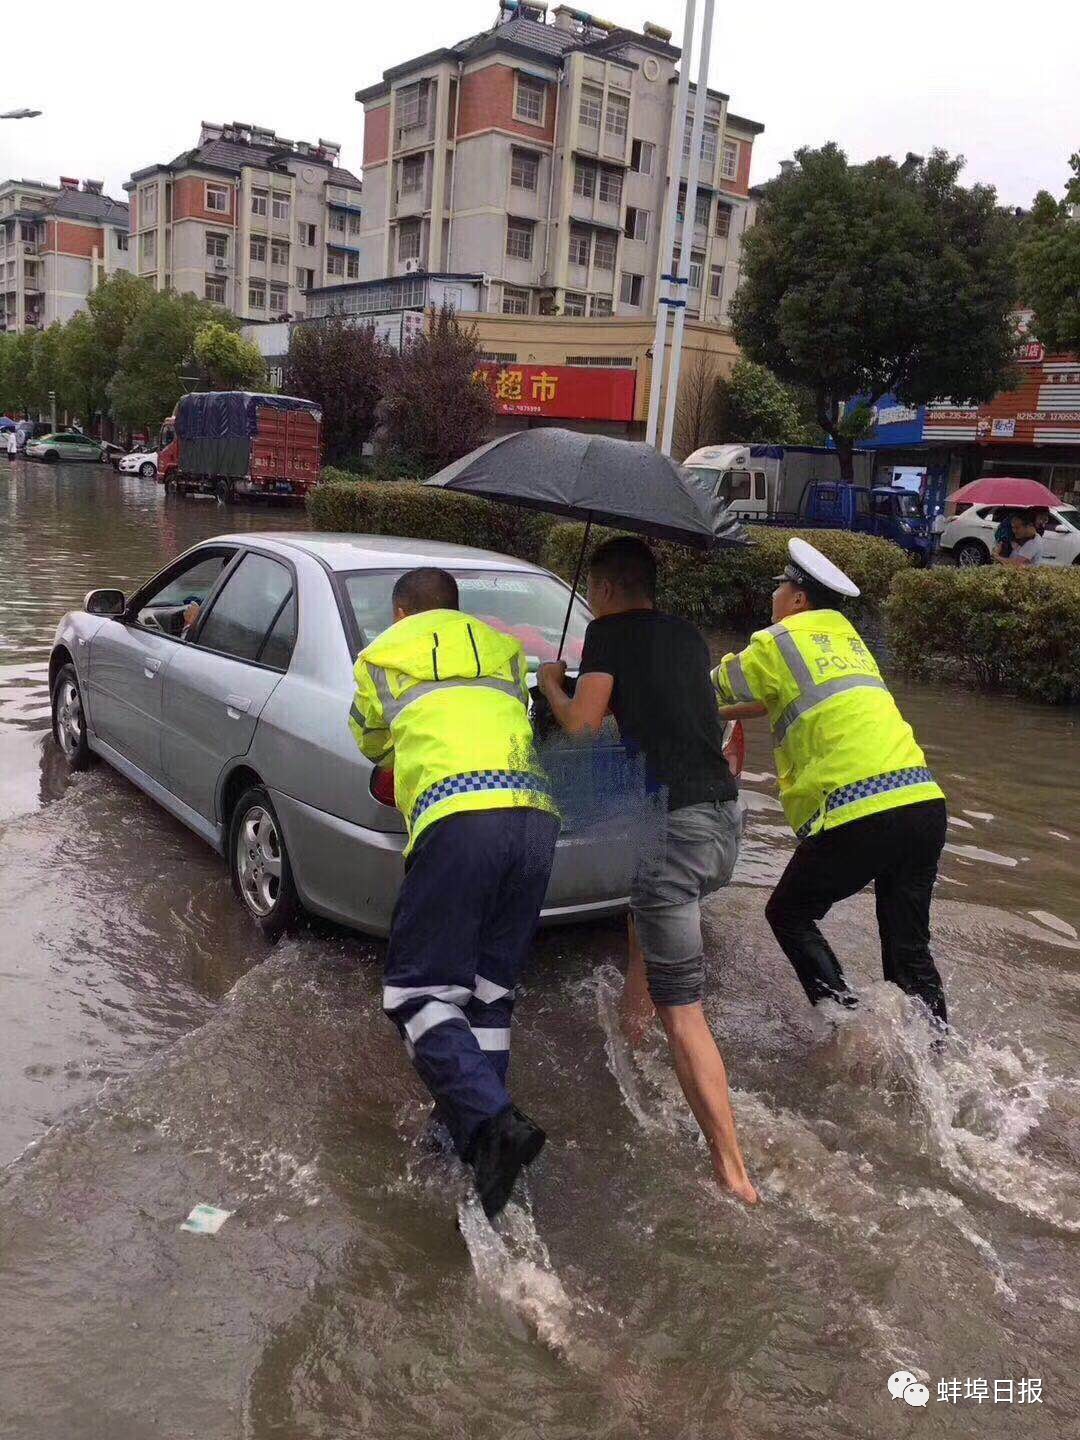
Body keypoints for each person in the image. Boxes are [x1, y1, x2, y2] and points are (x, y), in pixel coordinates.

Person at [537, 537, 758, 1206]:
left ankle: (732, 1172)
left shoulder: (606, 636)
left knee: (683, 1009)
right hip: (725, 819)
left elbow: (580, 724)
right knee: (647, 915)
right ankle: (633, 1026)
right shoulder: (688, 637)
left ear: (603, 591)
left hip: (674, 826)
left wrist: (552, 681)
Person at [349, 567, 559, 1219]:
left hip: (458, 817)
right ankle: (469, 1143)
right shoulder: (503, 650)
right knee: (488, 993)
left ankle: (493, 1121)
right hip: (536, 818)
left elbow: (370, 739)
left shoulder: (383, 654)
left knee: (415, 994)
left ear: (404, 612)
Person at [713, 538, 949, 1028]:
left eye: (779, 586)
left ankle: (844, 1022)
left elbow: (705, 686)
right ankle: (939, 1056)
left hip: (858, 811)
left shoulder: (777, 641)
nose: (774, 595)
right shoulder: (848, 642)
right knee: (908, 948)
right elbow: (770, 699)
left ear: (798, 598)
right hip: (922, 803)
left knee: (788, 913)